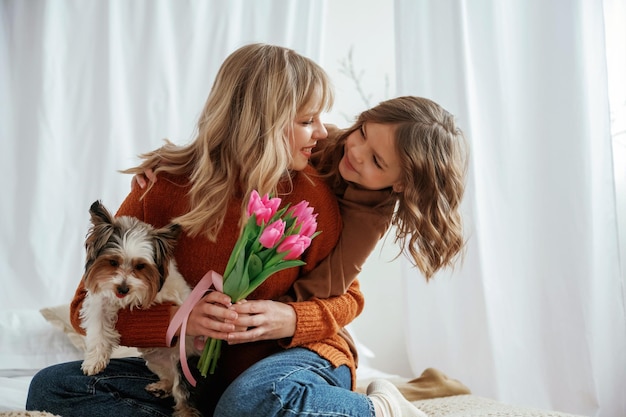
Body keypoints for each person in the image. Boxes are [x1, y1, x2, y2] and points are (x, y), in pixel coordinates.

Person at [26, 43, 425, 417]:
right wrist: (180, 320)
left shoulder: (311, 198)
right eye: (307, 121)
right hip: (202, 370)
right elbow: (86, 306)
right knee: (52, 387)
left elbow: (349, 298)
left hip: (296, 358)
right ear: (262, 123)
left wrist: (290, 319)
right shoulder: (162, 188)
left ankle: (378, 410)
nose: (323, 133)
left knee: (252, 398)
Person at [136, 96, 469, 302]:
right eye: (363, 132)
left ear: (402, 186)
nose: (355, 151)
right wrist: (171, 165)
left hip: (279, 305)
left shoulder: (370, 218)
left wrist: (270, 315)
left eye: (377, 161)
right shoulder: (320, 143)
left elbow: (330, 286)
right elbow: (243, 145)